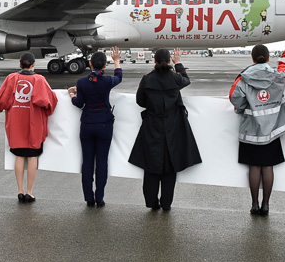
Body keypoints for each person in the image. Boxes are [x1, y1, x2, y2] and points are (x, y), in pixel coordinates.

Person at [229, 37, 285, 215]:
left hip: (251, 131)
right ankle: (266, 204)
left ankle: (254, 204)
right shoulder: (277, 77)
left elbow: (234, 97)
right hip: (271, 131)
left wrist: (242, 108)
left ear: (253, 58)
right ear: (268, 58)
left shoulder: (244, 78)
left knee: (254, 167)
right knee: (268, 167)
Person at [128, 48, 201, 211]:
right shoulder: (175, 78)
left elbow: (140, 101)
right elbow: (186, 80)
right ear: (169, 61)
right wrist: (179, 63)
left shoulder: (147, 79)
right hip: (173, 125)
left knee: (151, 164)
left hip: (152, 125)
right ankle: (166, 203)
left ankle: (152, 202)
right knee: (170, 164)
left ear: (154, 61)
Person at [0, 53, 58, 203]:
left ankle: (20, 190)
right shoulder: (39, 79)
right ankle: (30, 192)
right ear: (33, 64)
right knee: (33, 156)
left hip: (16, 122)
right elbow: (49, 101)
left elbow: (1, 99)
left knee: (19, 156)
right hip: (34, 122)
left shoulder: (11, 78)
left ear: (20, 64)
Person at [68, 47, 122, 207]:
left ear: (90, 64)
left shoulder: (82, 82)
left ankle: (88, 198)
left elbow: (79, 103)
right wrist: (117, 60)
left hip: (87, 125)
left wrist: (72, 94)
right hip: (104, 125)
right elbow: (119, 76)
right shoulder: (107, 82)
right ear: (105, 66)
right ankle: (100, 197)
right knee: (102, 162)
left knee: (87, 163)